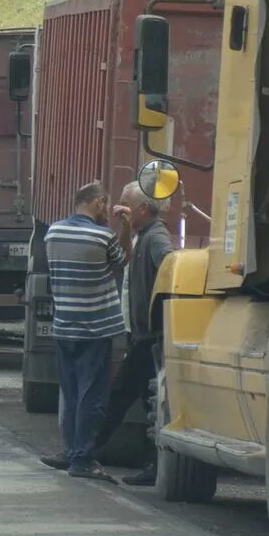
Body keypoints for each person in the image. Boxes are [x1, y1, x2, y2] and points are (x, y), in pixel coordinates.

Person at [38, 180, 125, 480]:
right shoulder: (103, 237)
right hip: (95, 328)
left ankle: (72, 450)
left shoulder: (53, 233)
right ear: (99, 203)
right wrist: (124, 228)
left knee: (72, 393)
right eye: (106, 206)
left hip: (64, 327)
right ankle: (82, 459)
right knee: (92, 396)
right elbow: (122, 261)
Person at [89, 181, 174, 486]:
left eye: (125, 204)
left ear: (141, 208)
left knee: (125, 395)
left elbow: (170, 266)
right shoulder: (142, 236)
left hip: (151, 338)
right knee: (146, 400)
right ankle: (88, 451)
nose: (118, 209)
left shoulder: (156, 240)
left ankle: (84, 451)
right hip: (143, 335)